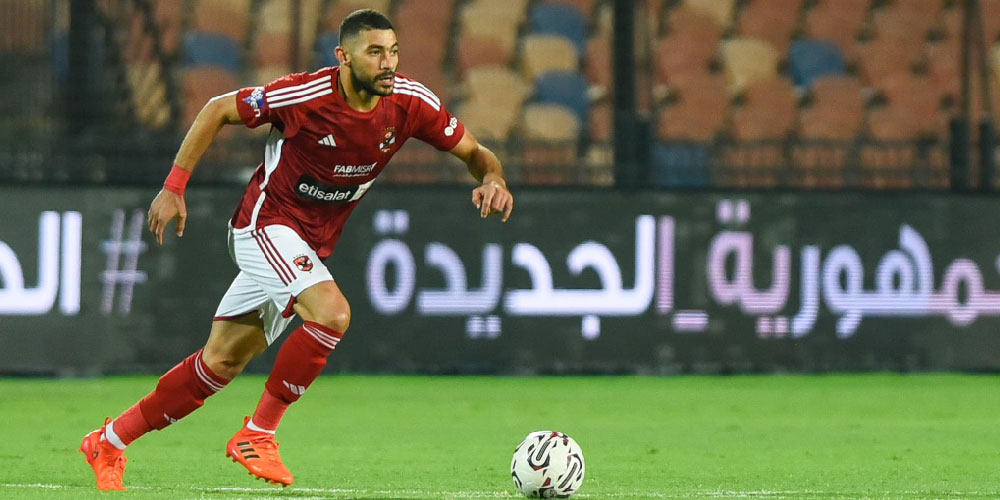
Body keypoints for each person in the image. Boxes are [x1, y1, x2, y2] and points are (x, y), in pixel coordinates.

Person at [79, 9, 513, 490]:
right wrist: (174, 186)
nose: (388, 63)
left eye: (393, 51)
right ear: (343, 57)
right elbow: (218, 109)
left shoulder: (411, 103)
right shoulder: (305, 95)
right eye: (374, 52)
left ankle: (108, 442)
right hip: (264, 225)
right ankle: (258, 434)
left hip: (307, 244)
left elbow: (475, 152)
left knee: (219, 363)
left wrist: (493, 178)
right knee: (332, 314)